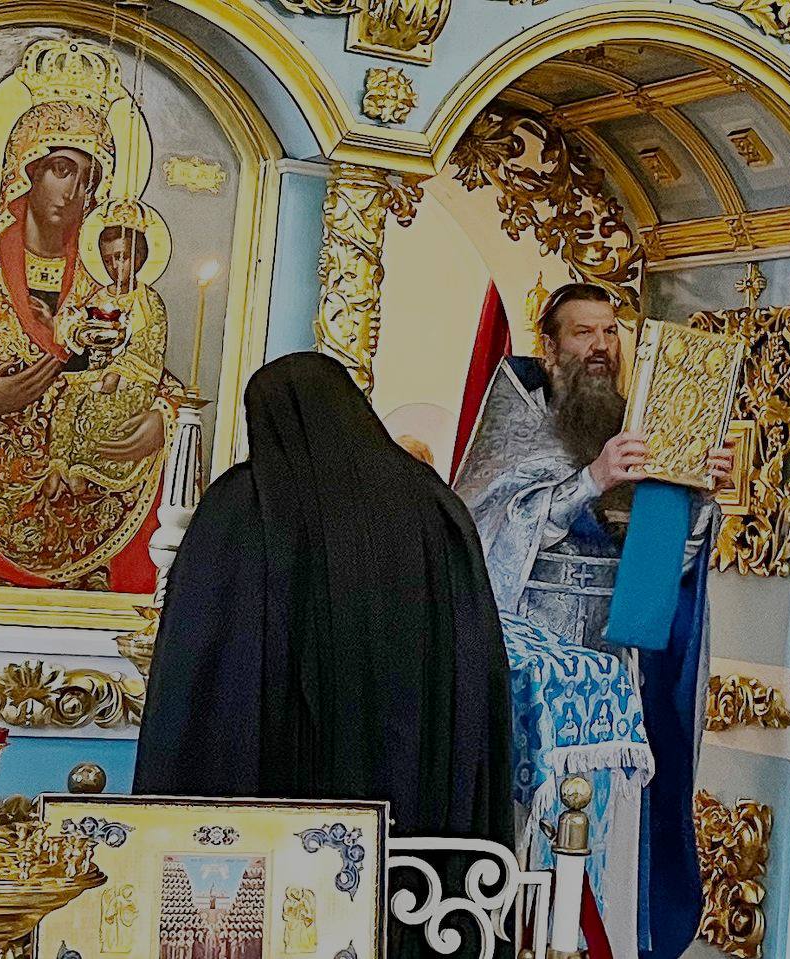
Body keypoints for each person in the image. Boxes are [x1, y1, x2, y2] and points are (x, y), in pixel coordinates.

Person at [135, 352, 513, 958]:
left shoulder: (239, 506)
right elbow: (473, 663)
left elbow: (195, 674)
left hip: (264, 827)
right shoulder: (430, 505)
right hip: (414, 855)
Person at [453, 283, 732, 959]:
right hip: (533, 659)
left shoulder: (635, 427)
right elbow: (485, 540)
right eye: (583, 333)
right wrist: (591, 481)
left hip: (614, 663)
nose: (601, 346)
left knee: (610, 826)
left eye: (610, 332)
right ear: (549, 348)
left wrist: (695, 496)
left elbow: (668, 565)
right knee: (532, 822)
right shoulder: (516, 425)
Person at [0, 54, 173, 590]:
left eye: (87, 179)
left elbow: (146, 370)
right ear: (24, 170)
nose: (71, 194)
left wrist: (162, 418)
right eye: (61, 170)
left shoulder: (107, 277)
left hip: (87, 517)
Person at [49, 208, 169, 497]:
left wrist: (116, 373)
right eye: (107, 260)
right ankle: (59, 464)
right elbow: (77, 325)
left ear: (138, 257)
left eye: (122, 257)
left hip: (132, 380)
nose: (115, 266)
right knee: (66, 402)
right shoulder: (100, 296)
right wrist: (80, 334)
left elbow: (149, 344)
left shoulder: (148, 300)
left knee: (100, 408)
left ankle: (86, 469)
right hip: (95, 370)